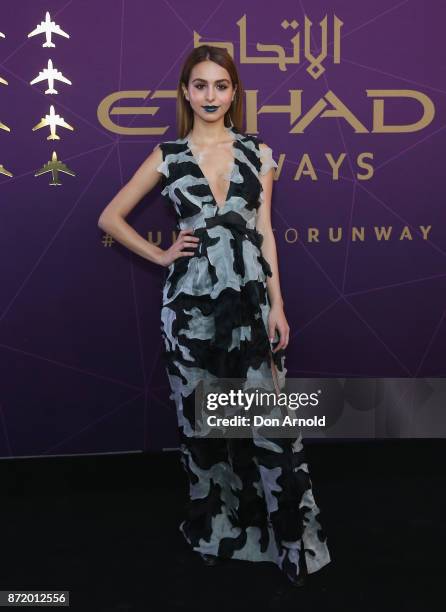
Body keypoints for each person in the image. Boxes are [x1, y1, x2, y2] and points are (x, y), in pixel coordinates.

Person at [98, 44, 331, 589]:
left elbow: (265, 232)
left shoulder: (258, 152)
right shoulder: (168, 155)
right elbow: (109, 215)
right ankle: (218, 533)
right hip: (189, 314)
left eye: (220, 86)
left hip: (251, 308)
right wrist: (160, 254)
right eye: (199, 85)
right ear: (186, 92)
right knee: (204, 430)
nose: (210, 96)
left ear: (233, 93)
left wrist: (279, 304)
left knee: (272, 428)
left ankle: (289, 542)